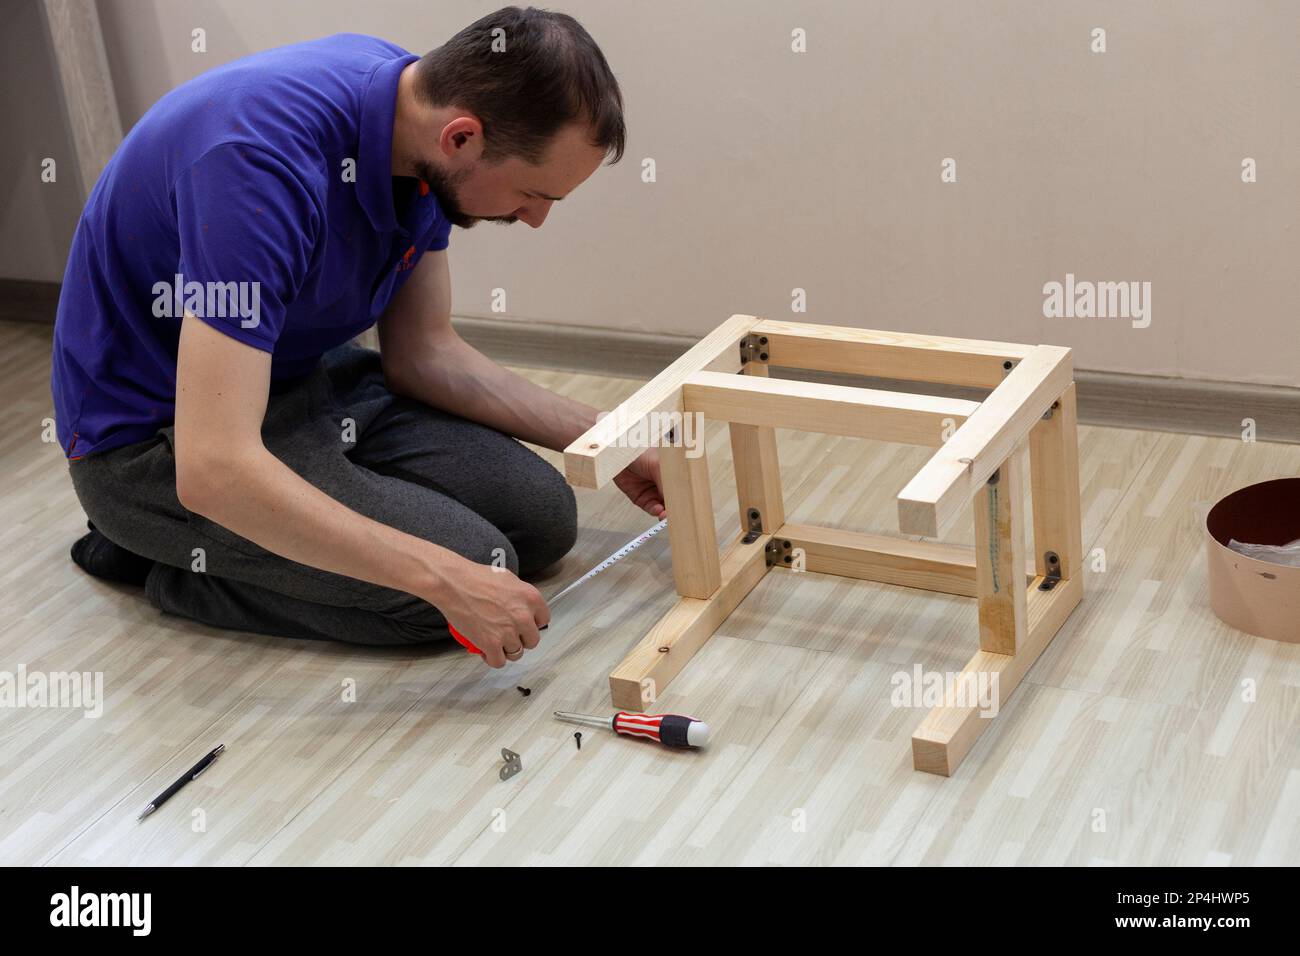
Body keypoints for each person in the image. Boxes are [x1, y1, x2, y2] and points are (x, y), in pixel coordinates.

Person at [51, 7, 665, 669]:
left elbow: (426, 354)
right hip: (158, 444)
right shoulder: (256, 169)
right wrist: (439, 578)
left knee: (541, 519)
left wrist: (607, 435)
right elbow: (214, 466)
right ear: (462, 138)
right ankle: (163, 559)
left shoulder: (418, 115)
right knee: (446, 589)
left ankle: (326, 518)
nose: (536, 218)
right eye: (532, 192)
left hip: (301, 382)